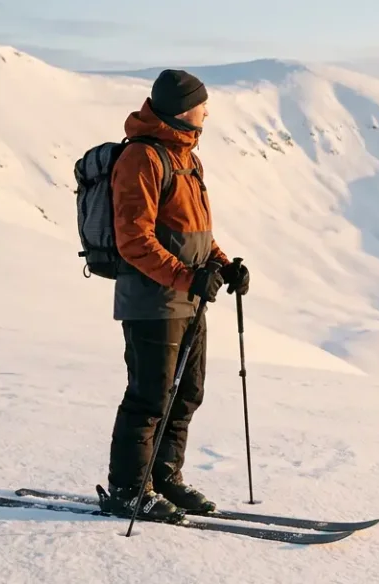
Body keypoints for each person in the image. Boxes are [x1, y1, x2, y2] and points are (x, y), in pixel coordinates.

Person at [99, 69, 250, 521]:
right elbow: (133, 239)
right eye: (203, 103)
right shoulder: (142, 158)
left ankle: (164, 477)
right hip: (152, 301)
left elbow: (196, 233)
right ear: (185, 108)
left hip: (188, 298)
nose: (208, 111)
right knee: (150, 397)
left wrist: (223, 265)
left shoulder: (187, 158)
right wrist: (187, 277)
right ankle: (128, 488)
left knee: (187, 393)